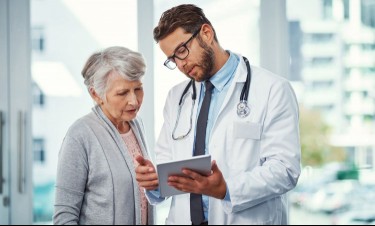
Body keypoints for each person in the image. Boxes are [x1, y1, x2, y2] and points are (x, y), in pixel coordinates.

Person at [135, 4, 301, 225]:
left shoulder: (273, 90)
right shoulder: (176, 97)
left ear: (206, 33)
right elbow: (168, 163)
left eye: (182, 50)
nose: (181, 64)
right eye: (173, 59)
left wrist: (226, 189)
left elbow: (285, 170)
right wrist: (156, 182)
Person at [53, 46, 154, 225]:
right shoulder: (80, 135)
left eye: (138, 89)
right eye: (122, 92)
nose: (134, 100)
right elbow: (64, 216)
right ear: (96, 94)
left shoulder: (137, 125)